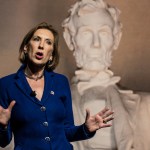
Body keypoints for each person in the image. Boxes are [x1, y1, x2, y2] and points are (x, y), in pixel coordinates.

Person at [0, 22, 114, 150]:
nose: (41, 46)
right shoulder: (6, 84)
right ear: (26, 47)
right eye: (37, 39)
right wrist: (3, 125)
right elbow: (3, 142)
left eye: (48, 42)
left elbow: (67, 131)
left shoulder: (61, 82)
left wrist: (86, 129)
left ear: (51, 55)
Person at [62, 0, 150, 150]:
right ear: (70, 39)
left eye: (103, 33)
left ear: (116, 38)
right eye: (86, 33)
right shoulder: (43, 109)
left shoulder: (146, 107)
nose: (96, 44)